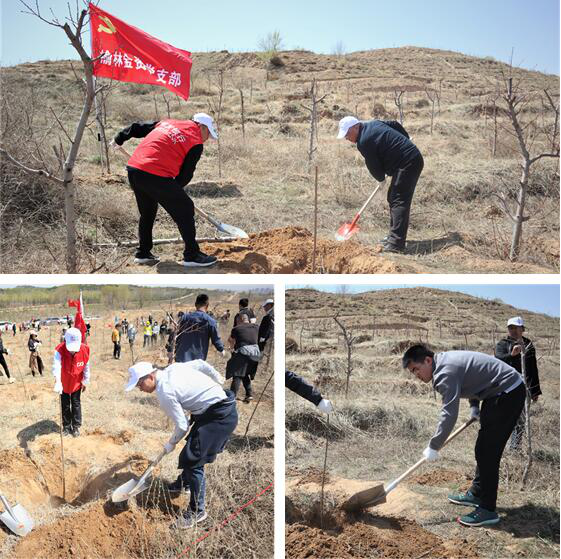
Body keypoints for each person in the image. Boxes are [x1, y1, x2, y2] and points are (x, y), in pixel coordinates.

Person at [402, 344, 525, 527]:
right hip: (497, 392)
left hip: (507, 392)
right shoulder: (443, 362)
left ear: (427, 360)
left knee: (487, 451)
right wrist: (475, 407)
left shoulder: (445, 372)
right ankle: (476, 493)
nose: (417, 376)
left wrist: (434, 446)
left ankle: (487, 509)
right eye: (413, 372)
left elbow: (449, 413)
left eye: (416, 369)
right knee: (484, 448)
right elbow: (472, 379)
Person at [124, 360, 237, 529]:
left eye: (140, 384)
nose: (140, 388)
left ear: (150, 376)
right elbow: (200, 363)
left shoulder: (164, 392)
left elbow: (182, 425)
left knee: (193, 460)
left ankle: (197, 511)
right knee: (191, 450)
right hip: (216, 408)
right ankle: (183, 484)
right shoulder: (174, 368)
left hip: (219, 416)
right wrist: (217, 377)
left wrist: (170, 444)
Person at [112, 113, 219, 268]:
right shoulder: (195, 142)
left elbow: (136, 128)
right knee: (186, 208)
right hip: (154, 173)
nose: (207, 138)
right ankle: (192, 255)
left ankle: (143, 253)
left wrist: (119, 138)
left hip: (134, 169)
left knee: (147, 212)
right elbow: (185, 175)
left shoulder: (168, 123)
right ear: (201, 127)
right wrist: (174, 191)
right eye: (208, 133)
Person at [337, 116, 424, 253]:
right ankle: (393, 237)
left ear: (356, 127)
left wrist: (380, 178)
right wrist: (405, 138)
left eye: (347, 133)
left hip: (408, 162)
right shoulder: (373, 123)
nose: (346, 137)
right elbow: (394, 124)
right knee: (393, 198)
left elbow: (373, 165)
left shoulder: (364, 141)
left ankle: (396, 244)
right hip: (406, 161)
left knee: (398, 200)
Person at [494, 317, 542, 450]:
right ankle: (498, 444)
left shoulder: (528, 345)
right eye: (511, 328)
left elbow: (532, 368)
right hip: (505, 386)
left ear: (523, 329)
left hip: (524, 387)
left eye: (517, 328)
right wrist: (512, 354)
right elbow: (498, 360)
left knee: (520, 418)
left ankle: (514, 448)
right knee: (503, 416)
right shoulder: (503, 344)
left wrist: (535, 390)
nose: (514, 331)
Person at [53, 328, 91, 437]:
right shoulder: (59, 350)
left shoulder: (85, 350)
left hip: (76, 382)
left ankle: (75, 427)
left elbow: (86, 367)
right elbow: (56, 366)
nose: (72, 351)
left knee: (76, 403)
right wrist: (58, 382)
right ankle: (66, 426)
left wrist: (85, 380)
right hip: (64, 381)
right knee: (65, 404)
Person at [175, 294, 225, 363]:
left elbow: (176, 335)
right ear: (207, 305)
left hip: (182, 358)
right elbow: (215, 339)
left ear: (195, 304)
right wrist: (221, 349)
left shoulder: (184, 318)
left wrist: (172, 351)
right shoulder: (210, 321)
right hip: (198, 360)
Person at [226, 315, 260, 403]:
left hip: (243, 352)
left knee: (237, 374)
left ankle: (231, 398)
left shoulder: (236, 328)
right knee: (245, 374)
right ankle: (249, 395)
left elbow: (231, 341)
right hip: (256, 354)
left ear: (240, 320)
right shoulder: (257, 327)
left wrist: (232, 349)